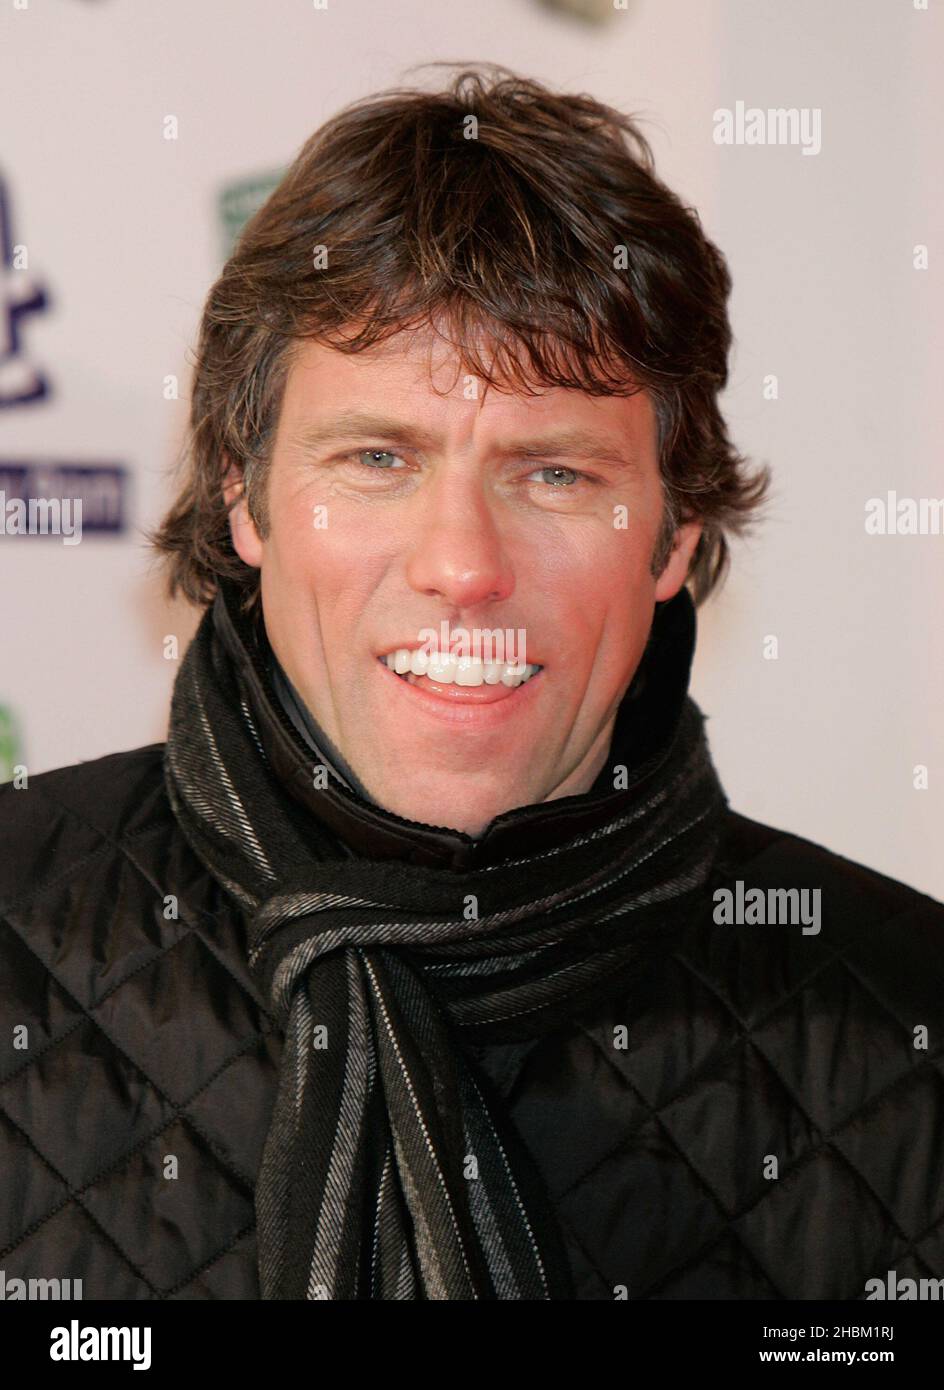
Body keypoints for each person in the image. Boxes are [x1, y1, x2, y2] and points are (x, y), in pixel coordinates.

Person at [2, 65, 941, 1302]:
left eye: (551, 472)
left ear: (673, 533)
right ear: (243, 494)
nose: (462, 565)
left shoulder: (905, 1018)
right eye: (379, 456)